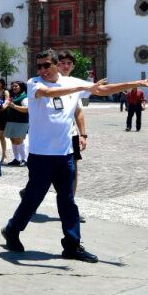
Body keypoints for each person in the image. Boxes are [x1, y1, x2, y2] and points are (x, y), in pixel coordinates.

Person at [1, 49, 148, 262]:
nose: (42, 70)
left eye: (47, 65)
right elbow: (48, 93)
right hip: (41, 155)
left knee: (67, 201)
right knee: (33, 198)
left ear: (56, 65)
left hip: (65, 154)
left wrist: (135, 83)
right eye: (39, 66)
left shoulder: (72, 82)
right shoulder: (34, 83)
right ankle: (12, 230)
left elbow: (102, 90)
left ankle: (72, 245)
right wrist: (84, 87)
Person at [56, 51, 89, 222]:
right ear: (56, 65)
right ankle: (30, 193)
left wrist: (83, 134)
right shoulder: (48, 83)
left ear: (73, 66)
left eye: (69, 63)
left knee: (73, 171)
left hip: (71, 135)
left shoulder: (76, 84)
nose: (66, 66)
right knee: (48, 171)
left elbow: (79, 111)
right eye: (62, 62)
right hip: (52, 136)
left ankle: (70, 208)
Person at [3, 80, 29, 166]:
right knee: (13, 140)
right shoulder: (14, 96)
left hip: (21, 122)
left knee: (19, 140)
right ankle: (17, 159)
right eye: (13, 86)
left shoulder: (24, 97)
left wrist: (14, 106)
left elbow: (26, 109)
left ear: (21, 87)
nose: (14, 87)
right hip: (12, 121)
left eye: (16, 86)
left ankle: (25, 159)